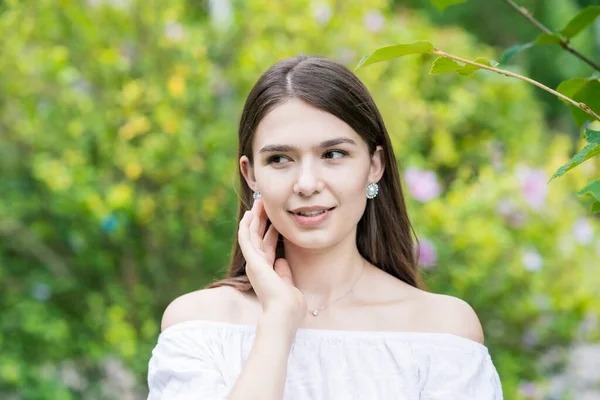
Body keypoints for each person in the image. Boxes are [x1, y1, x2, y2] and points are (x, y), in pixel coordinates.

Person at [146, 55, 503, 400]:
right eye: (280, 159)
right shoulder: (198, 324)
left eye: (333, 154)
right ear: (251, 174)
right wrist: (278, 321)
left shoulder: (443, 330)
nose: (306, 183)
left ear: (374, 165)